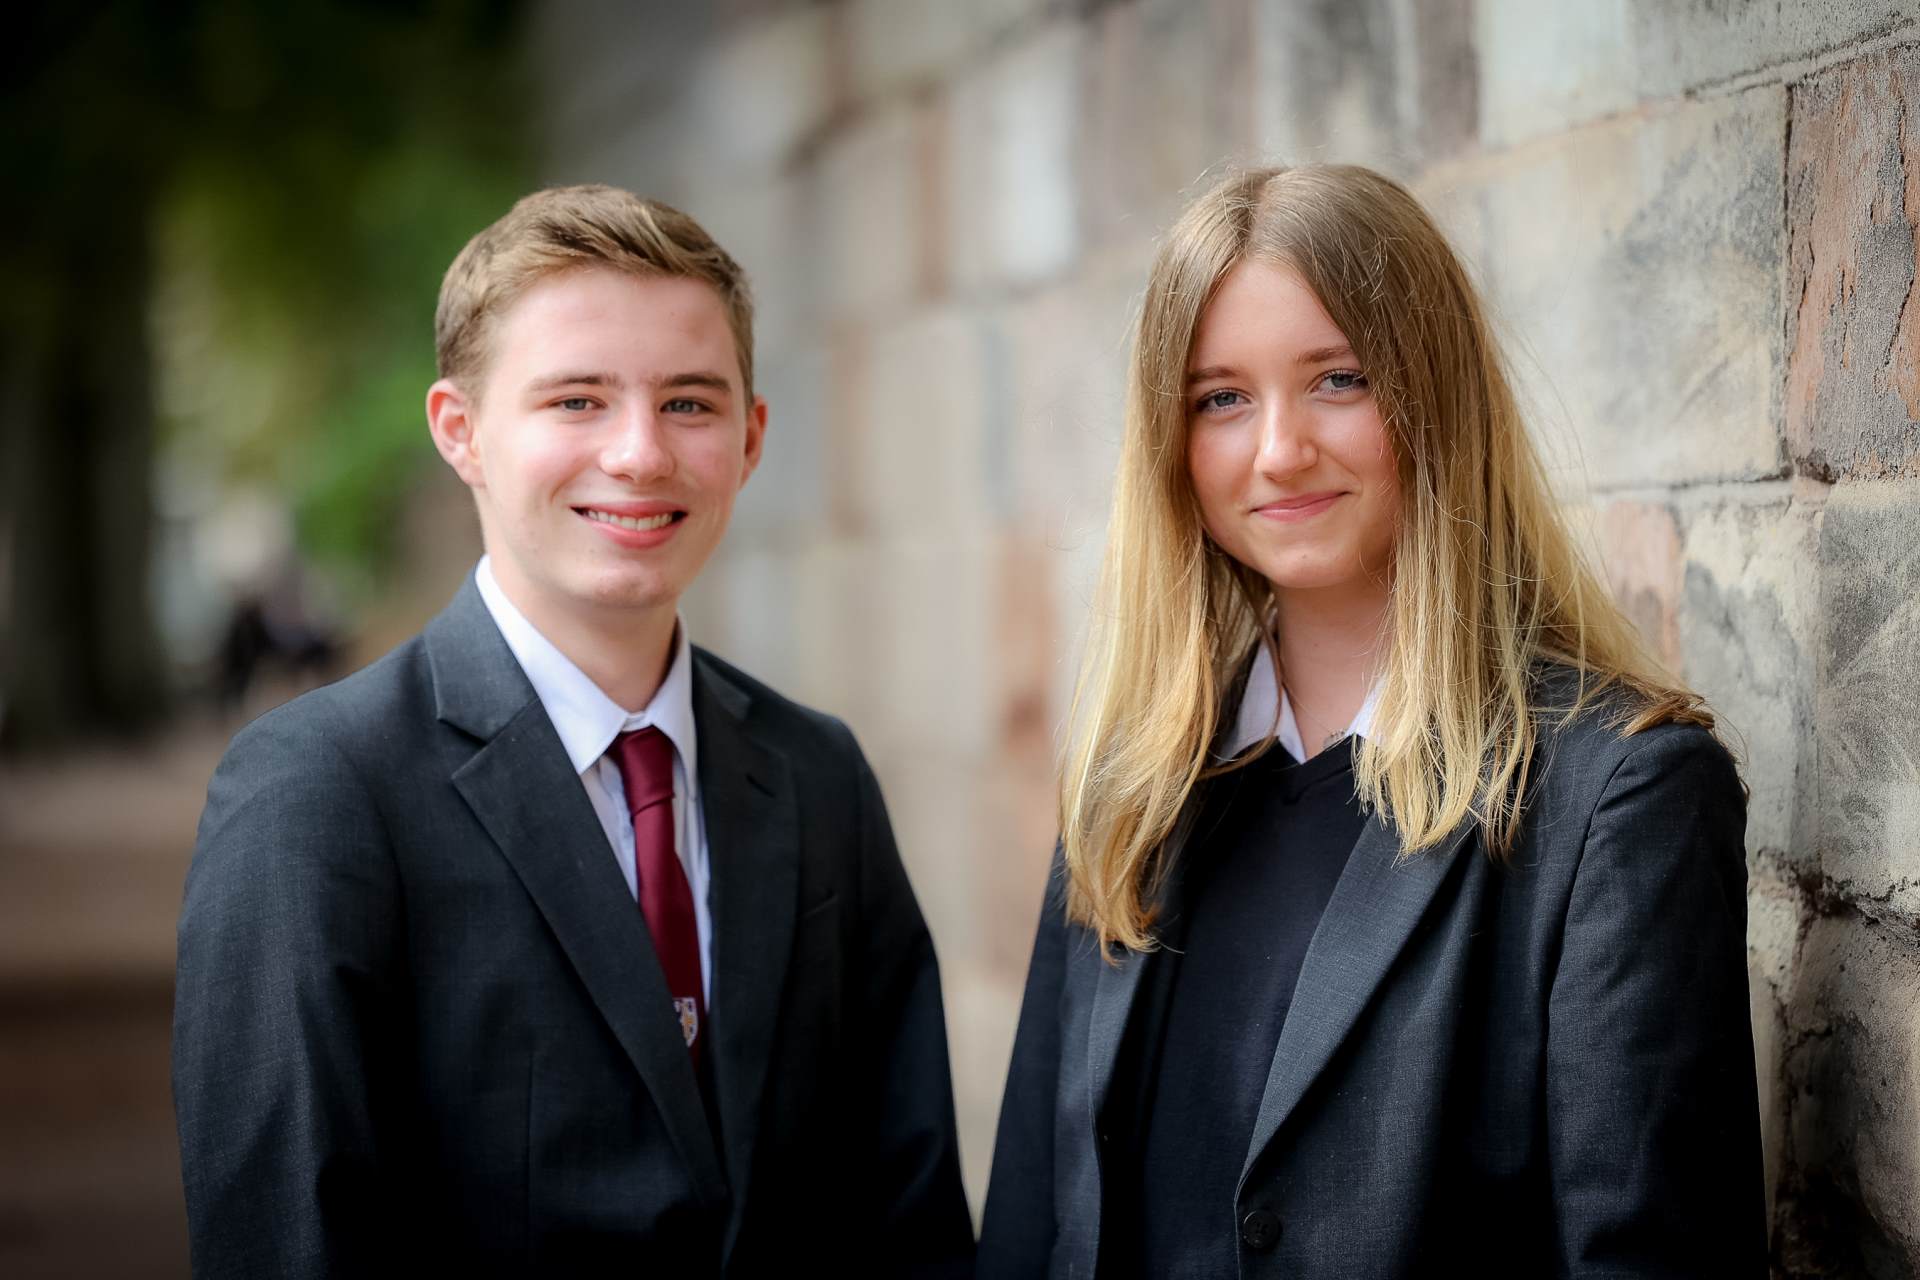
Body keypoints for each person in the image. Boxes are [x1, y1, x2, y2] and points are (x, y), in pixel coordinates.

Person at [977, 165, 1764, 1277]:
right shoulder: (1130, 796)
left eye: (1337, 378)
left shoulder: (1620, 799)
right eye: (1221, 397)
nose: (1278, 449)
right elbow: (1028, 1228)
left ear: (1433, 390)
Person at [173, 186, 974, 1277]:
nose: (641, 453)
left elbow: (908, 1207)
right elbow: (290, 1241)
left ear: (750, 438)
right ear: (461, 432)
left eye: (689, 402)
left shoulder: (817, 771)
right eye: (577, 401)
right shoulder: (317, 794)